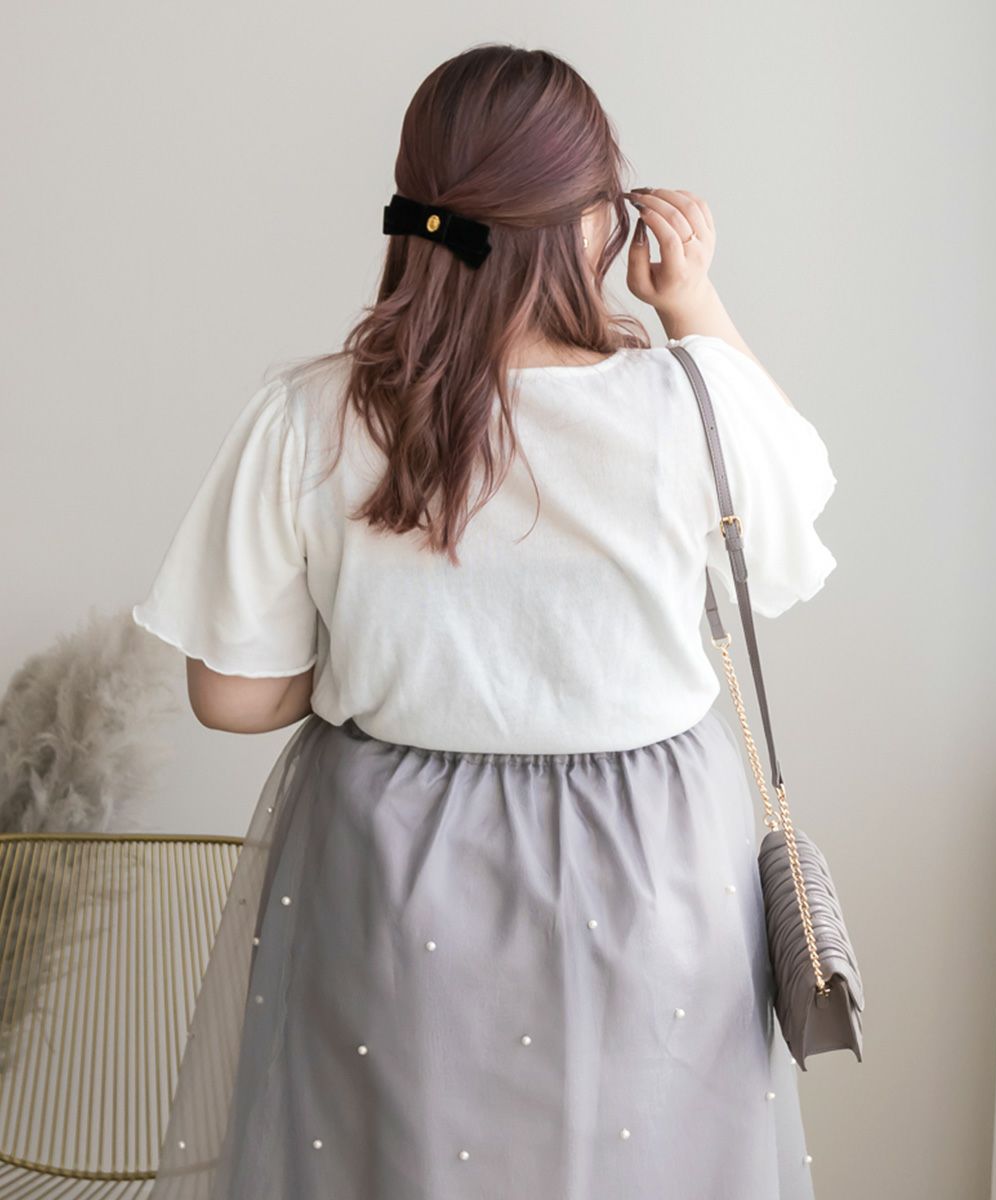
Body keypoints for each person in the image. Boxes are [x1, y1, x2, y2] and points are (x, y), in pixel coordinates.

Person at [132, 42, 836, 1200]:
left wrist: (382, 655)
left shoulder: (310, 413)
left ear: (416, 214)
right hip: (652, 861)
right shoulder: (685, 399)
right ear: (600, 222)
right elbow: (789, 534)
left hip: (393, 867)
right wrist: (692, 304)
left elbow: (230, 695)